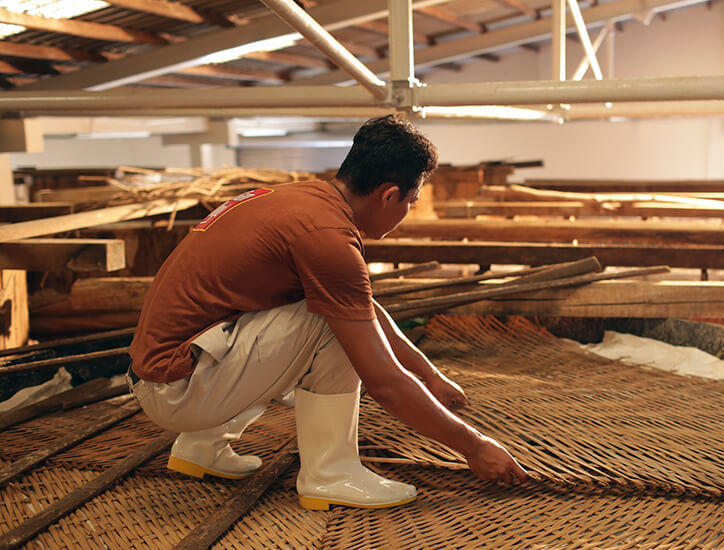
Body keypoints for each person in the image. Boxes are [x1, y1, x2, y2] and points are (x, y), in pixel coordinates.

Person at [127, 114, 528, 511]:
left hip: (164, 371)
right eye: (411, 201)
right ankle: (330, 474)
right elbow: (384, 380)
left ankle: (203, 445)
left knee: (328, 313)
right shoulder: (328, 239)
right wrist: (474, 446)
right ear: (390, 195)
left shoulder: (304, 201)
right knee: (328, 325)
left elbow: (363, 307)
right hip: (176, 389)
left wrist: (430, 375)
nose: (408, 211)